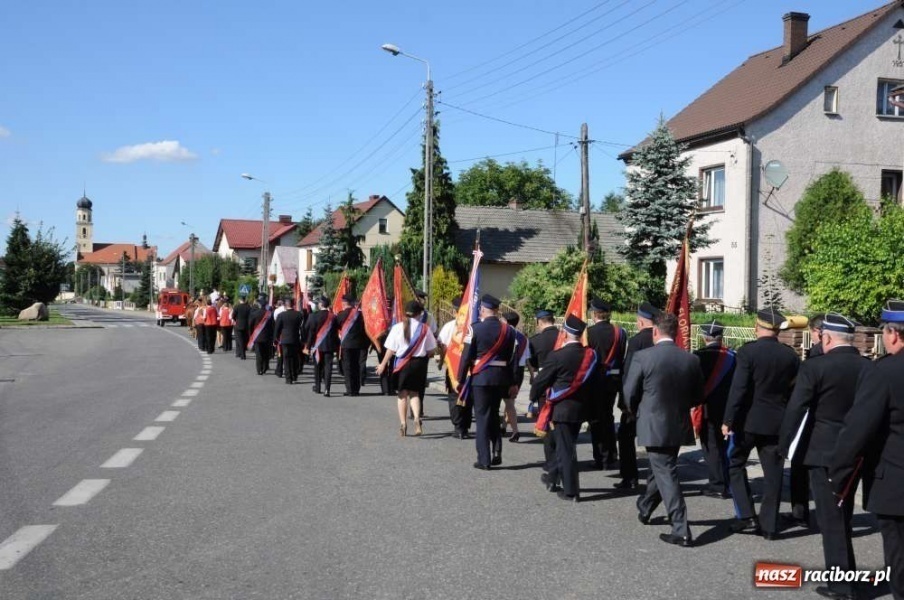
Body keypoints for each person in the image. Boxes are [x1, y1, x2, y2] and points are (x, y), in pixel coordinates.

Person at [779, 312, 870, 600]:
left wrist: (785, 445)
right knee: (842, 516)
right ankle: (847, 577)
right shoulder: (868, 367)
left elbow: (796, 409)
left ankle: (842, 585)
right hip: (856, 451)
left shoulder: (815, 367)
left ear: (826, 337)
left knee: (832, 521)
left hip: (821, 451)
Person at [830, 300, 904, 600]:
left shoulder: (885, 372)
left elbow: (857, 429)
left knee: (899, 559)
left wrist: (838, 471)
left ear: (893, 334)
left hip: (896, 484)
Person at [624, 312, 704, 546]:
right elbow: (698, 395)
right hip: (677, 422)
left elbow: (630, 392)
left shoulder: (643, 357)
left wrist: (636, 410)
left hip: (653, 421)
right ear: (676, 332)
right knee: (662, 467)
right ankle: (646, 506)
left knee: (665, 471)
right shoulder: (690, 359)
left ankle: (681, 529)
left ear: (655, 332)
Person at [722, 308, 800, 540]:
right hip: (777, 422)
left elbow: (739, 389)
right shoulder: (791, 356)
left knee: (735, 464)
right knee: (774, 473)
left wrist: (728, 419)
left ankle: (747, 516)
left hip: (748, 422)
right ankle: (769, 525)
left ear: (758, 327)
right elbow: (794, 391)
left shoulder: (748, 352)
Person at [533, 314, 600, 502]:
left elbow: (541, 381)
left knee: (566, 449)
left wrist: (533, 397)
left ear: (564, 333)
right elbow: (595, 383)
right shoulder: (591, 355)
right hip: (580, 408)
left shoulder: (557, 356)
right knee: (562, 444)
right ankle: (552, 476)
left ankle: (571, 491)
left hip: (561, 409)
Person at [457, 294, 516, 470]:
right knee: (494, 413)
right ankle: (497, 450)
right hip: (500, 378)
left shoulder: (475, 329)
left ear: (482, 310)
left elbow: (466, 356)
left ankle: (484, 459)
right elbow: (512, 359)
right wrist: (512, 381)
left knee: (482, 418)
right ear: (497, 311)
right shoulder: (509, 330)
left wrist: (459, 379)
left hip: (481, 377)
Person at [616, 302, 660, 490]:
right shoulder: (662, 338)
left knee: (626, 436)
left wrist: (626, 402)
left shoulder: (636, 341)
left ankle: (630, 477)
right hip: (658, 398)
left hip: (637, 399)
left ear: (641, 322)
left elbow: (629, 373)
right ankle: (655, 479)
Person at [376, 300, 437, 437]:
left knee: (402, 394)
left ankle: (403, 423)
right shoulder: (425, 328)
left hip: (402, 364)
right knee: (415, 393)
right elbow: (432, 350)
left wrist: (383, 364)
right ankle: (416, 418)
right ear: (419, 314)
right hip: (419, 364)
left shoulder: (397, 327)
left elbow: (391, 349)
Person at [694, 320, 736, 499]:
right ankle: (727, 480)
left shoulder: (698, 356)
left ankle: (717, 485)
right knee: (725, 446)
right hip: (728, 408)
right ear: (721, 337)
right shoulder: (733, 357)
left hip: (707, 409)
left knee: (711, 447)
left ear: (704, 338)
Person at [586, 298, 626, 470]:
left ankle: (600, 457)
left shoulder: (588, 333)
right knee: (608, 416)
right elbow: (621, 356)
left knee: (595, 419)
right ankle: (612, 455)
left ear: (595, 314)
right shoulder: (620, 332)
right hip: (613, 380)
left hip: (594, 380)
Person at [528, 309, 560, 473]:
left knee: (546, 423)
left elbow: (533, 364)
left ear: (540, 322)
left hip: (544, 385)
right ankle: (562, 458)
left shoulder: (535, 340)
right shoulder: (563, 337)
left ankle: (550, 461)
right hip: (562, 384)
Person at [437, 297, 471, 439]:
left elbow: (442, 345)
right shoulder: (472, 326)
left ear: (454, 311)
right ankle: (465, 427)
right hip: (469, 368)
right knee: (468, 397)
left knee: (453, 396)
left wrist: (441, 361)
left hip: (453, 368)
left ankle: (458, 427)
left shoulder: (449, 326)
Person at [501, 311, 529, 443]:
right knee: (509, 400)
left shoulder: (507, 335)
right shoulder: (524, 338)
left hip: (509, 371)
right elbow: (527, 359)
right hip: (520, 372)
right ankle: (503, 426)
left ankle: (515, 431)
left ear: (506, 321)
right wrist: (532, 374)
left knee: (509, 402)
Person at [306, 296, 339, 396]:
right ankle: (327, 389)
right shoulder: (333, 316)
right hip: (329, 345)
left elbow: (311, 332)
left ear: (320, 304)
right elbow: (336, 332)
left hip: (317, 345)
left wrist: (308, 346)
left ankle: (318, 387)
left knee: (317, 367)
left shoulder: (313, 316)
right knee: (328, 367)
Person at [337, 294, 369, 396]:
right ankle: (356, 389)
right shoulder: (360, 314)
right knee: (356, 367)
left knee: (348, 367)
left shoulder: (341, 315)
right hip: (359, 344)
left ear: (344, 303)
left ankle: (350, 390)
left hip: (346, 345)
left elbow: (336, 327)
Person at [274, 298, 304, 384]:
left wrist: (275, 339)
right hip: (295, 339)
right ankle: (294, 375)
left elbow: (277, 329)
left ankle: (288, 378)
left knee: (286, 359)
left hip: (285, 340)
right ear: (293, 304)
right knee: (295, 358)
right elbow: (302, 328)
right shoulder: (299, 315)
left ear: (285, 305)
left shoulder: (281, 315)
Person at [248, 297, 274, 376]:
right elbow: (272, 325)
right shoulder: (269, 314)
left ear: (259, 305)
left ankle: (259, 369)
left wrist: (250, 335)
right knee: (266, 353)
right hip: (267, 337)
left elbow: (250, 325)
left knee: (259, 354)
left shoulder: (254, 314)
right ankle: (265, 367)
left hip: (257, 337)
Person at [232, 295, 252, 360]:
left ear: (240, 300)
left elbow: (233, 316)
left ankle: (242, 355)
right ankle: (242, 352)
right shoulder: (248, 307)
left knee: (240, 340)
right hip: (246, 325)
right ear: (245, 299)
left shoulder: (237, 307)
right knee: (245, 339)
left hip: (238, 325)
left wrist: (236, 320)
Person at [273, 299, 288, 379]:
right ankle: (287, 371)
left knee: (280, 354)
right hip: (291, 337)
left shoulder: (278, 312)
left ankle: (279, 371)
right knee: (288, 356)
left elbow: (276, 325)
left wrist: (275, 338)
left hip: (281, 336)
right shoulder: (295, 313)